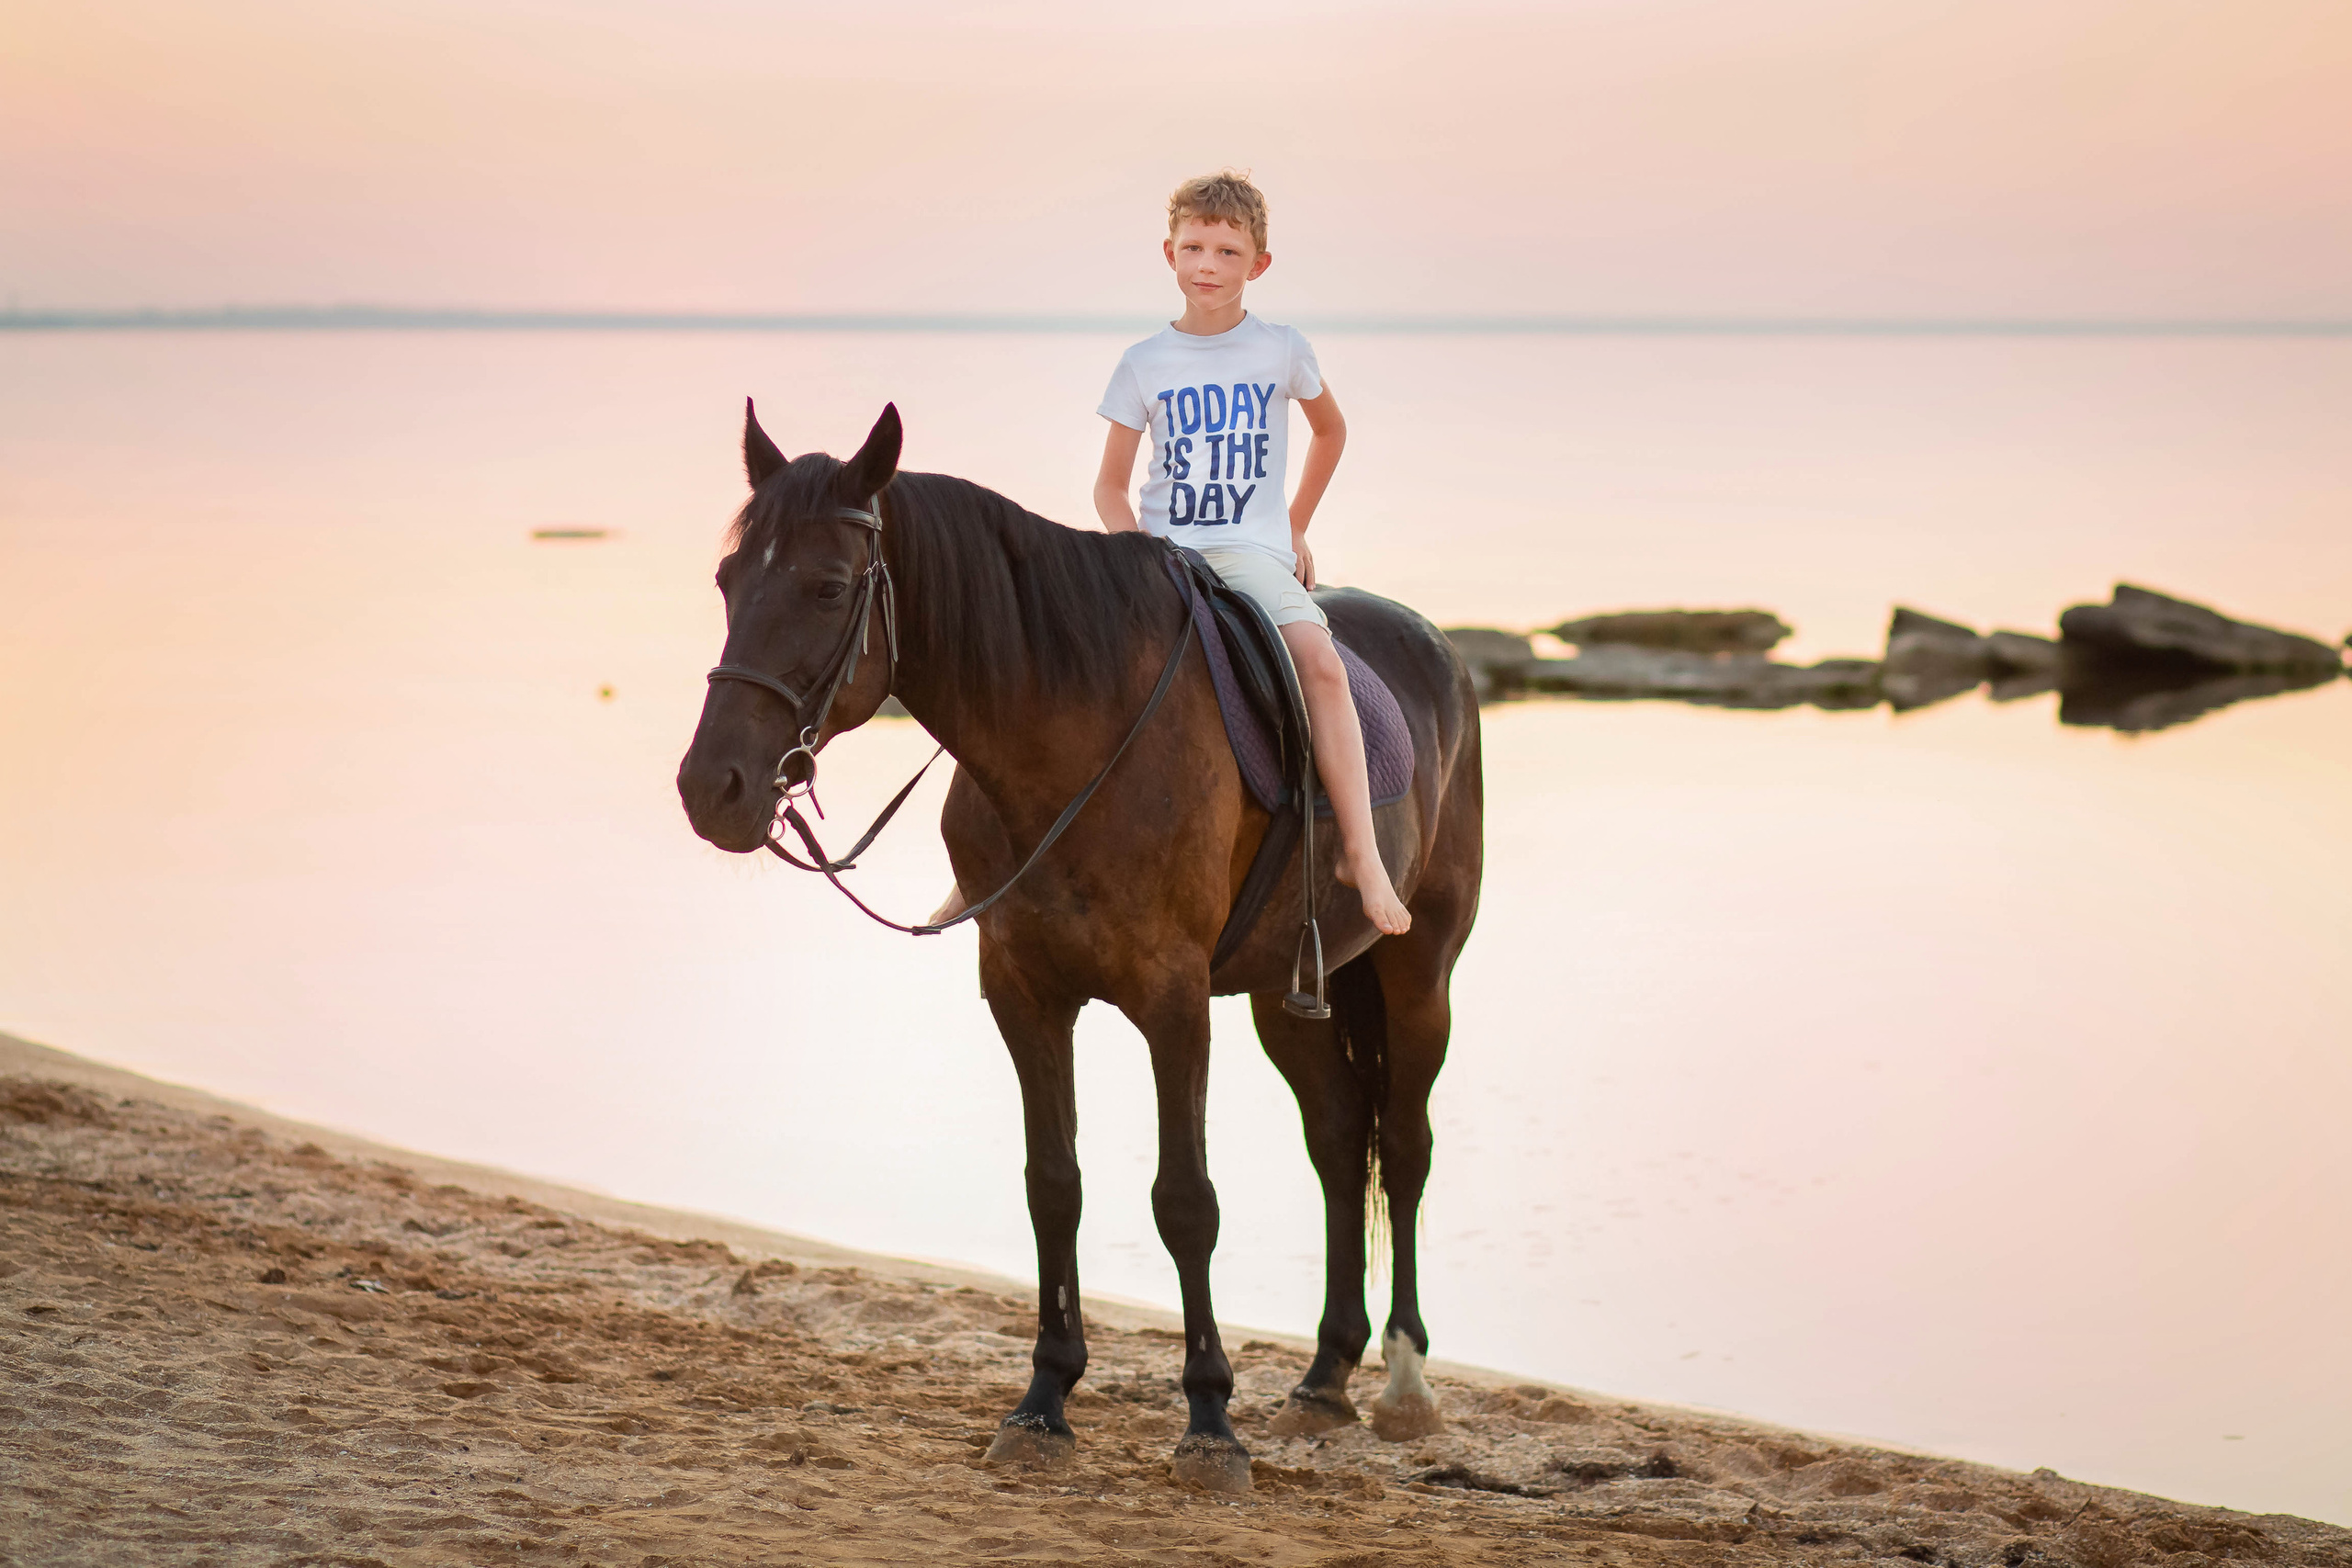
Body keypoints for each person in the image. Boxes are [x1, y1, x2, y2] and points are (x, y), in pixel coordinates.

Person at [928, 170, 1409, 937]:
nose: (1208, 264)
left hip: (1248, 553)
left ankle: (1361, 852)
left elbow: (1331, 432)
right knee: (1045, 667)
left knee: (1320, 663)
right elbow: (1109, 486)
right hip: (1156, 555)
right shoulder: (1143, 362)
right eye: (1194, 247)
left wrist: (1292, 526)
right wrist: (1132, 558)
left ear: (1260, 263)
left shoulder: (1282, 350)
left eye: (1227, 249)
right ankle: (980, 865)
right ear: (1169, 252)